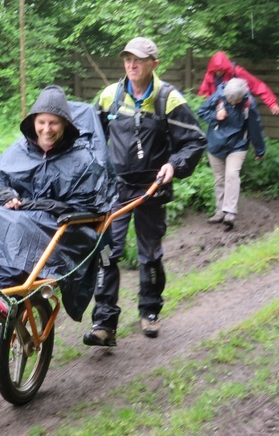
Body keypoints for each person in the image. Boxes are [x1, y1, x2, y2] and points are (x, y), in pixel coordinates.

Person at [0, 85, 117, 323]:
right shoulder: (20, 150)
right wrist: (5, 195)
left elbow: (87, 204)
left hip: (63, 231)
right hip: (19, 220)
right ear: (33, 122)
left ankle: (5, 292)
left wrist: (35, 206)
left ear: (65, 125)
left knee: (17, 223)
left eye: (54, 123)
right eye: (41, 122)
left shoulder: (82, 159)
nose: (46, 129)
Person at [83, 37, 206, 346]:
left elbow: (194, 141)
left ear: (154, 64)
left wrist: (174, 165)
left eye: (138, 59)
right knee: (108, 252)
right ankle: (104, 322)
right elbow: (90, 136)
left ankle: (149, 312)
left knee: (150, 253)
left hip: (153, 186)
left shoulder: (169, 99)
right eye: (127, 59)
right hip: (117, 186)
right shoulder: (110, 95)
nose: (131, 64)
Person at [197, 78, 266, 230]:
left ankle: (230, 213)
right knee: (219, 178)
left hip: (237, 145)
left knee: (232, 175)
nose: (233, 103)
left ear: (243, 95)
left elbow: (255, 128)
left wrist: (260, 149)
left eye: (237, 100)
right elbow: (201, 112)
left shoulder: (249, 104)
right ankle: (220, 211)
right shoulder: (219, 96)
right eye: (230, 100)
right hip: (216, 144)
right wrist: (216, 116)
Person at [198, 51, 279, 115]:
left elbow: (257, 85)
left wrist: (272, 103)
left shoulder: (236, 72)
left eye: (221, 70)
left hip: (238, 110)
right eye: (217, 70)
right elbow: (203, 94)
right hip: (219, 112)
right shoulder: (209, 76)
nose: (219, 72)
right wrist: (215, 108)